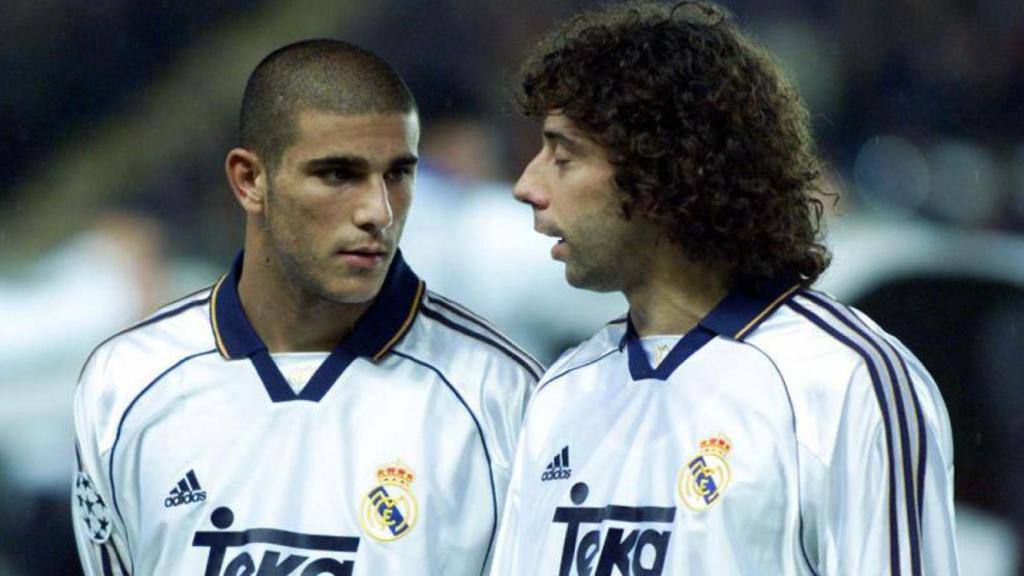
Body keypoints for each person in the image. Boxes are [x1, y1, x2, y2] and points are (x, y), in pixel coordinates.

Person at [490, 3, 958, 575]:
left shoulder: (844, 383)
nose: (527, 185)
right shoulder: (562, 392)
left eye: (563, 156)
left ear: (664, 170)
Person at [71, 39, 541, 576]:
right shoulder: (126, 381)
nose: (378, 211)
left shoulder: (502, 398)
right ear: (250, 180)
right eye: (338, 174)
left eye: (397, 174)